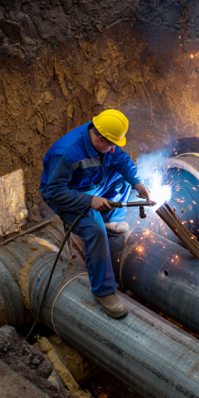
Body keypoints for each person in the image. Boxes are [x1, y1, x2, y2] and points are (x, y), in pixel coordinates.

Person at [39, 109, 151, 318]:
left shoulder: (103, 142)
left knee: (122, 181)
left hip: (90, 184)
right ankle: (103, 291)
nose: (113, 148)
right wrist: (89, 201)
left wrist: (138, 183)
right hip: (66, 195)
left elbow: (122, 161)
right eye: (111, 144)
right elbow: (54, 191)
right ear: (100, 138)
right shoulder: (67, 153)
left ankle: (106, 221)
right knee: (95, 232)